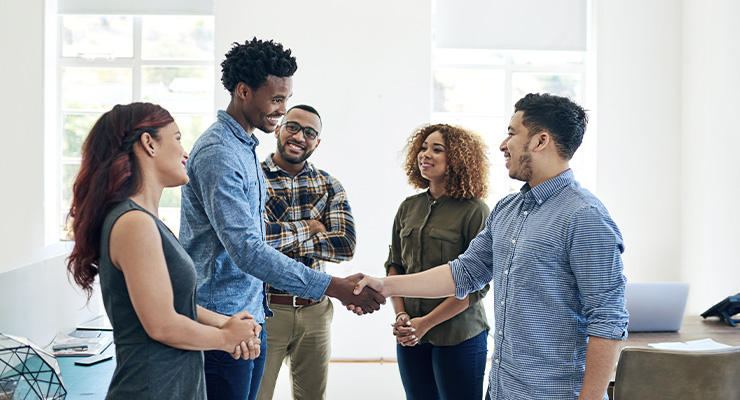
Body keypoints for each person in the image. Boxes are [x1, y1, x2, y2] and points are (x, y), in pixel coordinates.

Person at [354, 93, 629, 400]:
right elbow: (464, 272)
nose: (502, 144)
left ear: (540, 141)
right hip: (502, 390)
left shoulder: (585, 217)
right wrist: (385, 285)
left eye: (512, 133)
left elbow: (608, 320)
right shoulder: (507, 209)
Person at [179, 38, 384, 400]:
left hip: (250, 316)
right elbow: (249, 249)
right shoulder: (219, 153)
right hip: (221, 322)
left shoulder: (244, 147)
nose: (283, 110)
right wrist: (332, 286)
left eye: (286, 99)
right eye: (277, 100)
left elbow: (333, 242)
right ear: (243, 91)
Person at [66, 102, 262, 400]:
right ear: (149, 144)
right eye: (178, 138)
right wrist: (225, 338)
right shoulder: (133, 223)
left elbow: (169, 304)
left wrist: (226, 321)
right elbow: (162, 324)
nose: (186, 152)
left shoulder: (144, 221)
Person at [256, 104, 355, 400]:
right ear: (278, 129)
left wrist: (281, 236)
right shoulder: (253, 177)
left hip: (315, 311)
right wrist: (310, 226)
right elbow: (253, 242)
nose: (300, 136)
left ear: (317, 142)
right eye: (293, 127)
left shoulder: (329, 184)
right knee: (255, 395)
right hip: (265, 309)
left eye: (310, 132)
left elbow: (345, 245)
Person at [387, 124, 491, 400]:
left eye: (437, 149)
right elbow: (395, 266)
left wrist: (426, 323)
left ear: (456, 159)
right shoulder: (407, 208)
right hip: (411, 336)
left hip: (460, 337)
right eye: (423, 148)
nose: (425, 154)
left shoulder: (475, 211)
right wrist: (402, 317)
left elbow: (477, 285)